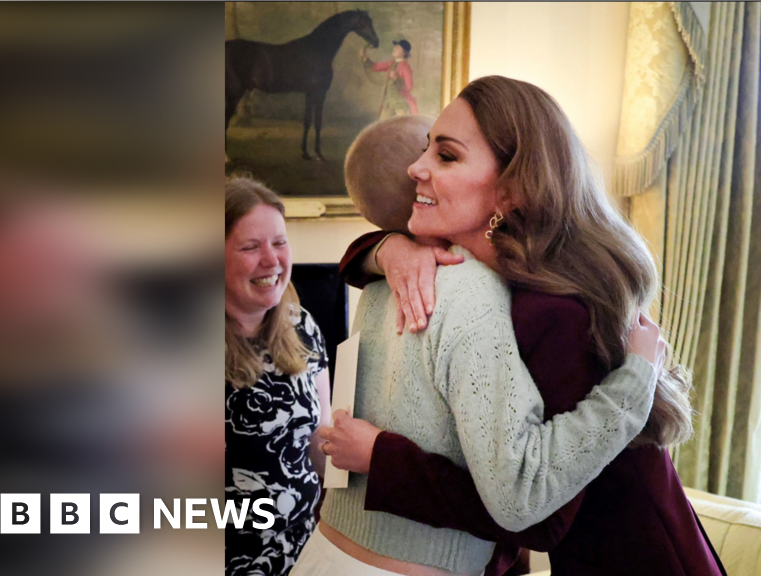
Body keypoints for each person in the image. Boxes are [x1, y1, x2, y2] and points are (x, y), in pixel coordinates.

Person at [324, 76, 726, 575]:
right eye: (426, 149)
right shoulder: (486, 280)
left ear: (511, 191)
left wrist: (381, 459)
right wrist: (387, 249)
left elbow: (537, 518)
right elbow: (351, 262)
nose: (415, 167)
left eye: (446, 156)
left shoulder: (552, 311)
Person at [226, 176, 333, 576]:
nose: (272, 261)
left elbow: (319, 441)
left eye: (279, 242)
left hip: (302, 555)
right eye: (250, 247)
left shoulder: (301, 325)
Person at [363, 39, 419, 118]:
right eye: (395, 47)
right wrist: (365, 58)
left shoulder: (406, 67)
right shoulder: (392, 63)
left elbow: (409, 87)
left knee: (402, 125)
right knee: (382, 126)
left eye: (398, 48)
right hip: (389, 102)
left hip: (400, 103)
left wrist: (396, 79)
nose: (394, 49)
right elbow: (376, 67)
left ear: (404, 52)